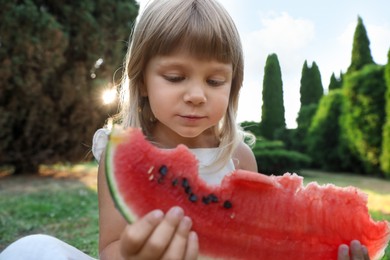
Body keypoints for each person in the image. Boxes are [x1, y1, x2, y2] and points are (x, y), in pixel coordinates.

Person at [0, 0, 370, 259]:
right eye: (176, 77)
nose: (196, 95)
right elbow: (110, 248)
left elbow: (253, 246)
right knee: (29, 250)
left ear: (233, 86)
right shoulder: (117, 157)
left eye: (215, 81)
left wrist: (312, 250)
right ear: (142, 80)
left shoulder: (239, 156)